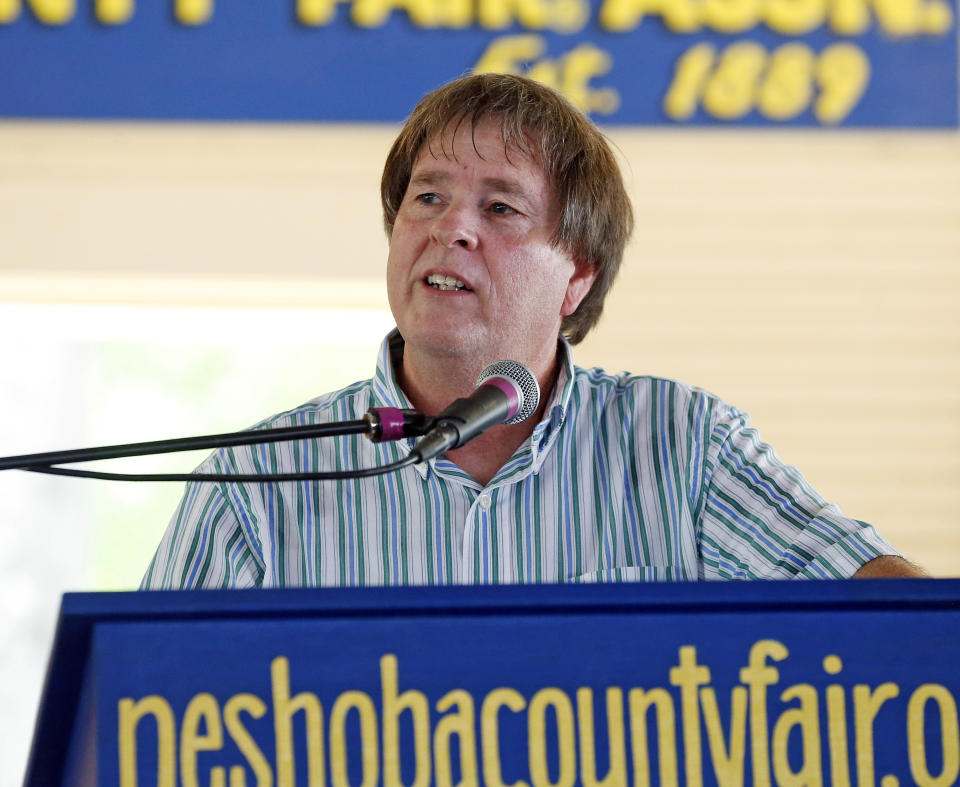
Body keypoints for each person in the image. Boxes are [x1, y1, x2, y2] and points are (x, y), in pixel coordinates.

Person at [142, 73, 924, 589]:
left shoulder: (685, 446)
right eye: (427, 198)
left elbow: (886, 608)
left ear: (578, 271)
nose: (451, 230)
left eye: (501, 208)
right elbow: (142, 721)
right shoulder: (252, 484)